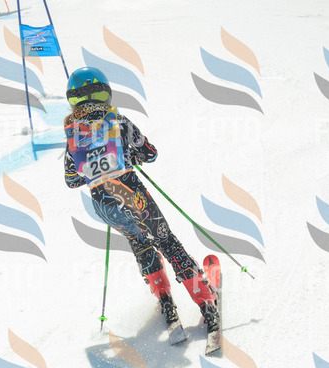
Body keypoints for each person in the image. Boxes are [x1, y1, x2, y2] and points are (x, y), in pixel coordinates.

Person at [63, 67, 219, 333]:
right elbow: (150, 153)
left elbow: (72, 179)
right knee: (167, 242)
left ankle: (165, 300)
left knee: (140, 243)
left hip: (103, 205)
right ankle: (206, 301)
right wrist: (130, 157)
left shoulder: (73, 132)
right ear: (105, 93)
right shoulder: (117, 121)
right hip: (132, 195)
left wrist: (95, 170)